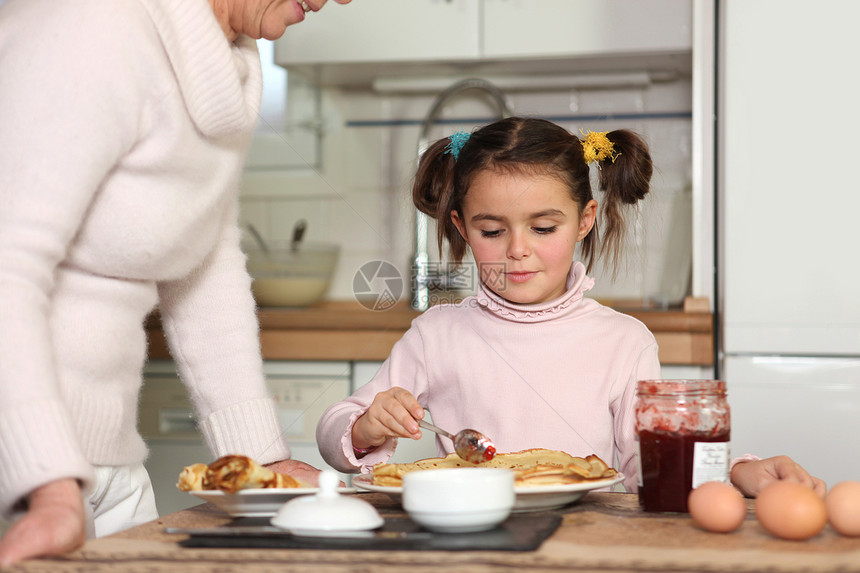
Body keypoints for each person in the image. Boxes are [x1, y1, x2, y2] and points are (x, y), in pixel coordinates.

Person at [0, 0, 351, 566]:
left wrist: (257, 459)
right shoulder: (92, 27)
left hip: (100, 462)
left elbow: (205, 267)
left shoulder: (223, 60)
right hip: (25, 470)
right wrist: (46, 482)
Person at [315, 117, 824, 499]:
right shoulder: (437, 333)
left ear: (584, 221)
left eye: (543, 228)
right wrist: (363, 427)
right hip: (472, 541)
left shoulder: (624, 341)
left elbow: (651, 466)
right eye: (492, 231)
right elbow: (336, 424)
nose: (518, 249)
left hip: (592, 542)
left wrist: (737, 470)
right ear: (461, 227)